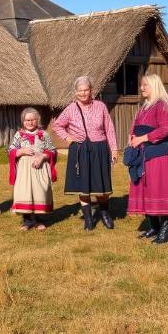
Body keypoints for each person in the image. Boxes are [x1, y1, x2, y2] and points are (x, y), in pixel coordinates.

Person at [125, 73, 168, 244]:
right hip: (143, 156)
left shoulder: (163, 105)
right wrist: (131, 137)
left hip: (160, 156)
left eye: (145, 85)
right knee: (148, 191)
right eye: (141, 85)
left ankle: (166, 231)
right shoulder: (144, 106)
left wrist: (142, 138)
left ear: (154, 85)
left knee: (161, 191)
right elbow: (135, 126)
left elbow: (165, 129)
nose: (141, 88)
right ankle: (154, 227)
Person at [53, 76, 119, 231]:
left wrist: (114, 149)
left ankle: (104, 214)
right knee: (83, 186)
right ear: (76, 92)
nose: (83, 93)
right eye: (80, 91)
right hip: (80, 150)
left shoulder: (100, 106)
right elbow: (57, 126)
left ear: (91, 91)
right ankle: (88, 219)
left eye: (86, 90)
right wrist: (69, 138)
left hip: (100, 149)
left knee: (101, 185)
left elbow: (109, 128)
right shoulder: (70, 109)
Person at [8, 107, 57, 231]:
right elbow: (10, 151)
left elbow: (52, 151)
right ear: (23, 121)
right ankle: (27, 221)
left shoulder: (44, 134)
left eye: (32, 120)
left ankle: (39, 220)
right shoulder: (19, 135)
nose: (29, 122)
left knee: (39, 192)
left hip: (39, 168)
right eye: (27, 120)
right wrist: (21, 151)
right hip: (24, 170)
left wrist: (42, 156)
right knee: (25, 192)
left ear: (37, 120)